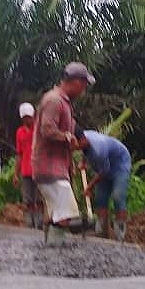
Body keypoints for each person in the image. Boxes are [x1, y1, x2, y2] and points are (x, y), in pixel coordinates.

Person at [32, 61, 94, 245]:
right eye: (84, 85)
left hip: (56, 166)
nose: (84, 90)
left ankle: (51, 248)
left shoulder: (64, 103)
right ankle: (56, 250)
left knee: (57, 211)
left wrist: (74, 137)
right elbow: (47, 129)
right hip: (49, 166)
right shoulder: (54, 100)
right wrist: (67, 137)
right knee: (65, 213)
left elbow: (70, 128)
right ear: (76, 82)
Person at [75, 126, 132, 241]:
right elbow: (84, 150)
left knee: (118, 197)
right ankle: (101, 231)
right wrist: (83, 161)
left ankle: (120, 233)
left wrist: (89, 187)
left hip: (120, 165)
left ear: (82, 140)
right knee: (100, 198)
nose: (73, 147)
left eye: (75, 144)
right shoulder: (83, 135)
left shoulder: (98, 150)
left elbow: (103, 173)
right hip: (105, 166)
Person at [13, 102, 42, 228]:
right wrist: (16, 174)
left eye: (29, 117)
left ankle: (39, 222)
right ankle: (30, 223)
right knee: (28, 199)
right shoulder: (20, 132)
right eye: (24, 118)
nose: (27, 120)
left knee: (39, 198)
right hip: (26, 170)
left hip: (40, 169)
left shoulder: (39, 129)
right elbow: (19, 154)